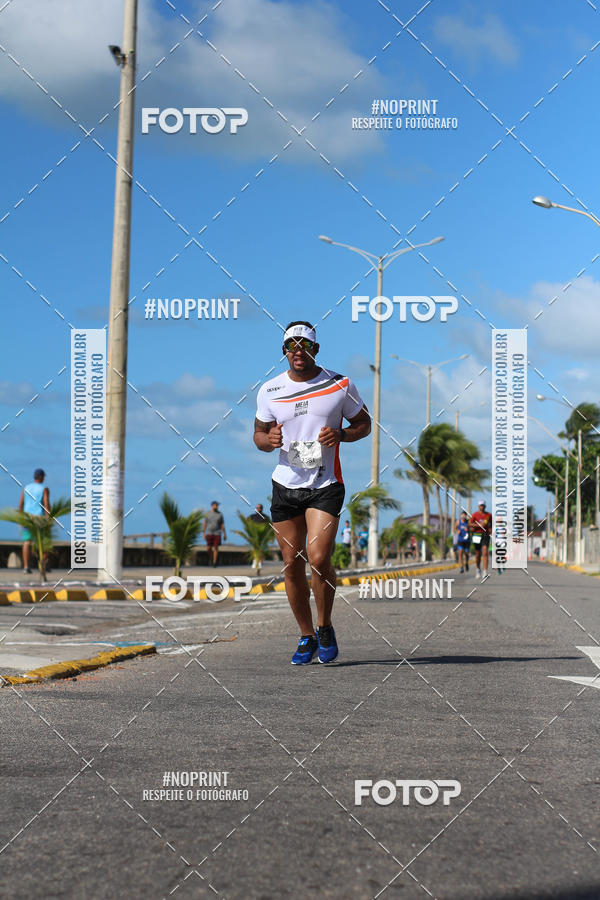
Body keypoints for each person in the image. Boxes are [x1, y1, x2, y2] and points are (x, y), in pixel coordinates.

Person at [253, 321, 371, 665]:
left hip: (325, 484)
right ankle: (306, 635)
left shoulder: (340, 385)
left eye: (305, 345)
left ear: (315, 349)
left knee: (318, 559)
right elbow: (258, 435)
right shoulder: (270, 390)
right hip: (285, 485)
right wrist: (268, 440)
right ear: (284, 350)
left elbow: (364, 424)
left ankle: (324, 626)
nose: (298, 351)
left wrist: (342, 435)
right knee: (292, 563)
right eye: (292, 345)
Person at [18, 468, 50, 573]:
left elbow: (21, 504)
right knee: (44, 541)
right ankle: (42, 564)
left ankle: (26, 567)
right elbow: (46, 504)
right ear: (41, 477)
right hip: (39, 518)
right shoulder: (44, 488)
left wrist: (21, 517)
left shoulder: (26, 488)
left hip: (27, 518)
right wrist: (48, 518)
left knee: (27, 542)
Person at [470, 500, 493, 579]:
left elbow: (491, 524)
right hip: (477, 535)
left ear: (485, 506)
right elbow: (469, 524)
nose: (482, 507)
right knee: (477, 554)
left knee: (485, 552)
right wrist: (479, 525)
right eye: (480, 505)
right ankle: (478, 569)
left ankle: (485, 571)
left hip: (485, 535)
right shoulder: (474, 515)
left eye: (483, 505)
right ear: (478, 506)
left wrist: (490, 530)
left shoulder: (489, 515)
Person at [203, 500, 226, 567]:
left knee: (216, 547)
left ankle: (214, 562)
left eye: (217, 505)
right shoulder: (207, 513)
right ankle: (211, 558)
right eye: (216, 505)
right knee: (209, 548)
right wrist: (203, 533)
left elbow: (222, 524)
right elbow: (205, 523)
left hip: (217, 533)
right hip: (209, 532)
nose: (217, 506)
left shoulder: (220, 514)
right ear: (212, 506)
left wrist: (224, 534)